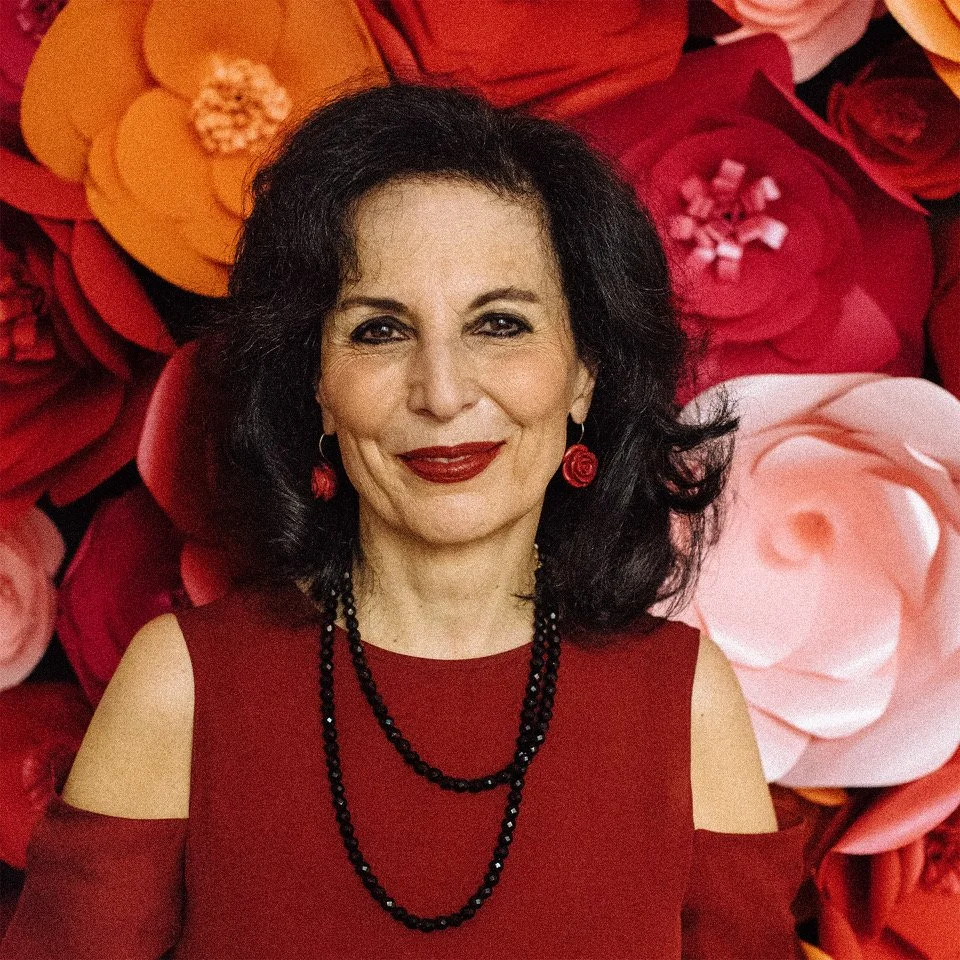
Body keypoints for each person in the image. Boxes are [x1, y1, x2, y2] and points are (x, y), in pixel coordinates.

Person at [1, 82, 810, 959]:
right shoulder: (184, 685)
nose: (443, 391)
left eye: (499, 324)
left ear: (584, 375)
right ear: (314, 380)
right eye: (381, 332)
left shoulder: (685, 699)